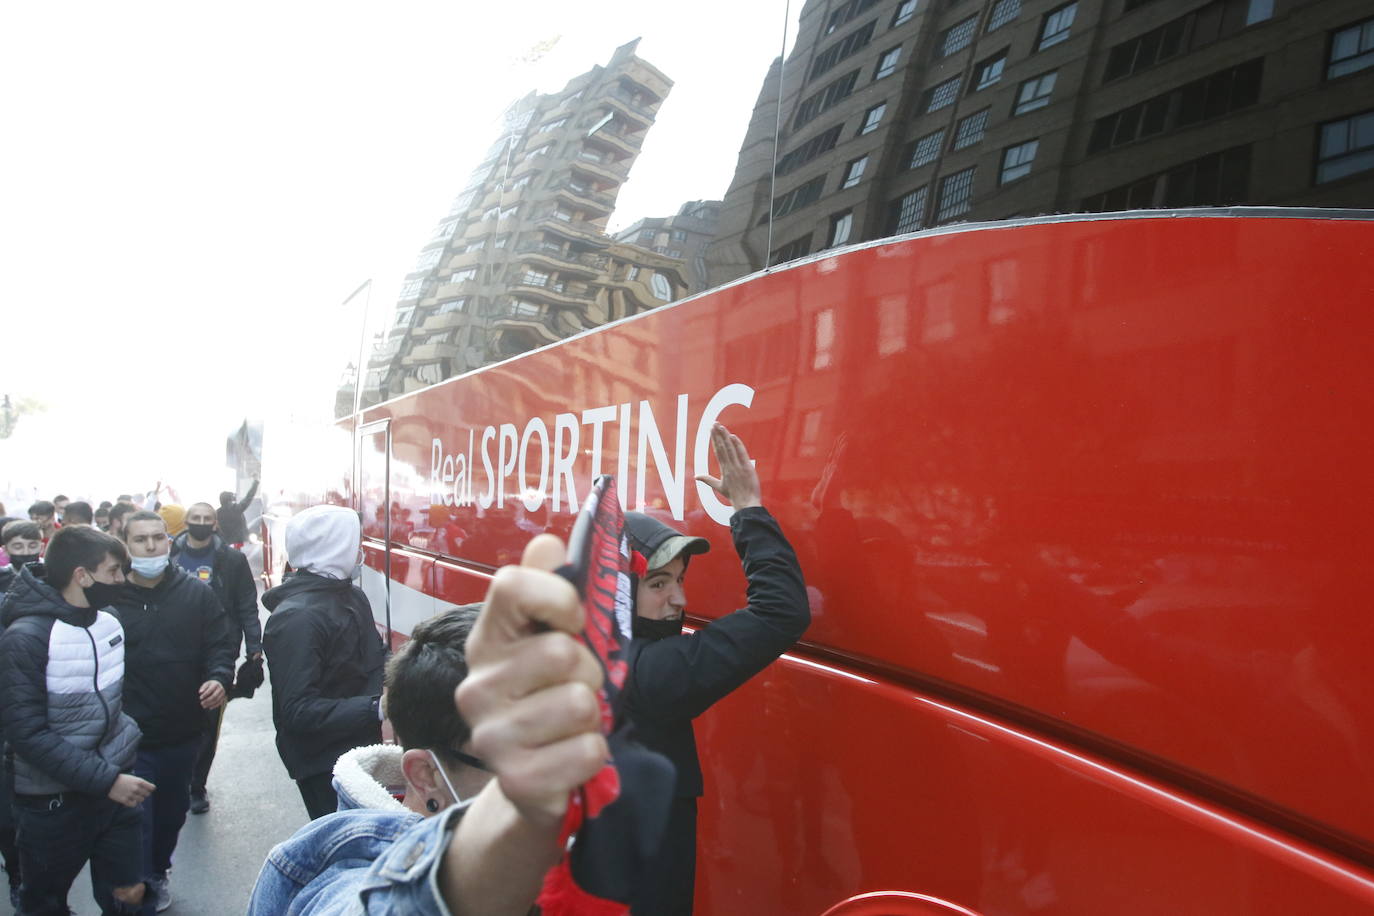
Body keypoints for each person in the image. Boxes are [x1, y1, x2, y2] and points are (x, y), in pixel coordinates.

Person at [249, 533, 607, 914]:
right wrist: (469, 875)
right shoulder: (340, 865)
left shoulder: (351, 597)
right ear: (425, 775)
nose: (562, 789)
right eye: (516, 768)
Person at [620, 423, 809, 916]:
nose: (679, 600)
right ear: (619, 588)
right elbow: (780, 611)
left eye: (679, 581)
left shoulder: (581, 650)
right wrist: (748, 509)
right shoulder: (651, 675)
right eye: (658, 583)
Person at [0, 525, 153, 915]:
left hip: (116, 793)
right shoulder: (26, 637)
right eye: (114, 571)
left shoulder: (109, 620)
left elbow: (118, 698)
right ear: (81, 576)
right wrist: (107, 780)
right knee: (46, 904)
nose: (122, 580)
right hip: (51, 805)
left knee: (130, 895)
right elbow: (27, 734)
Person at [109, 511, 235, 912]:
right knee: (136, 820)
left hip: (182, 731)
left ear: (169, 541)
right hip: (128, 737)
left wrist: (219, 677)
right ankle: (137, 882)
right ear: (125, 546)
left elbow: (220, 642)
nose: (150, 547)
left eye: (157, 539)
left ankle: (158, 870)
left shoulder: (195, 594)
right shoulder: (110, 599)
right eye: (140, 540)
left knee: (170, 815)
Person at [262, 504, 385, 820]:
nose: (361, 551)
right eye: (356, 542)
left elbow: (374, 657)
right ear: (337, 547)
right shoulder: (297, 619)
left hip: (358, 747)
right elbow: (298, 711)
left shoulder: (351, 596)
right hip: (321, 761)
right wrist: (377, 708)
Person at [170, 502, 264, 814]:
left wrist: (254, 647)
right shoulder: (168, 555)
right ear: (186, 522)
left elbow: (247, 604)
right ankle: (175, 779)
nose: (200, 523)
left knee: (209, 722)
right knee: (176, 718)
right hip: (173, 653)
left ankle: (196, 785)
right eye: (194, 518)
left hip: (218, 652)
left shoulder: (231, 559)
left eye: (206, 519)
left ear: (214, 524)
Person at [0, 520, 44, 596]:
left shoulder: (54, 575)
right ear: (5, 550)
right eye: (18, 547)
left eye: (32, 546)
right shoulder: (2, 579)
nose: (26, 552)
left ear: (42, 548)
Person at [216, 479, 260, 547]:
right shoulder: (237, 509)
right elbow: (249, 497)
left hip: (226, 543)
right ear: (230, 499)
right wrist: (255, 483)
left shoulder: (217, 513)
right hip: (240, 543)